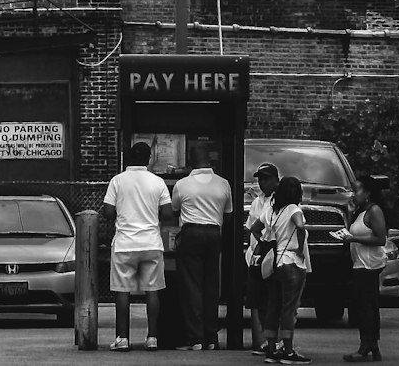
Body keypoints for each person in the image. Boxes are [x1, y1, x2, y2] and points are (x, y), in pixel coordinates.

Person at [101, 140, 173, 352]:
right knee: (153, 291)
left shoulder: (117, 181)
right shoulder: (157, 182)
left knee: (122, 291)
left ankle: (122, 338)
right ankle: (152, 338)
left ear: (129, 157)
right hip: (151, 242)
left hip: (124, 243)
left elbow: (108, 212)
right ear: (148, 159)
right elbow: (168, 213)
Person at [171, 142, 233, 350]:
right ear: (209, 159)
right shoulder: (223, 184)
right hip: (214, 233)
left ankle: (195, 338)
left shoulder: (182, 184)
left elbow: (174, 209)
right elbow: (229, 214)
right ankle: (212, 337)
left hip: (191, 233)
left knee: (192, 286)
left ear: (190, 161)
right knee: (211, 286)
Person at [257, 175, 311, 365]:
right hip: (291, 262)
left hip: (274, 263)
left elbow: (255, 228)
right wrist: (300, 248)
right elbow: (300, 226)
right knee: (289, 308)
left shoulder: (271, 210)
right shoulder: (294, 210)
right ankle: (288, 351)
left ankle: (271, 349)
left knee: (273, 306)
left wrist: (266, 242)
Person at [340, 174, 388, 363]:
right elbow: (351, 232)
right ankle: (371, 346)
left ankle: (366, 345)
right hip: (359, 263)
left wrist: (354, 239)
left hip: (368, 265)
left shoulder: (374, 211)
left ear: (367, 192)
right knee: (365, 306)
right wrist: (350, 213)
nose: (353, 194)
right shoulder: (361, 211)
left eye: (357, 190)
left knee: (365, 307)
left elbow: (380, 238)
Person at [245, 163, 280, 353]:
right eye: (260, 178)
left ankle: (275, 341)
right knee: (258, 300)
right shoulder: (257, 201)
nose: (262, 182)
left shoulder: (280, 200)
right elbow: (251, 227)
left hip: (272, 254)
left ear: (276, 180)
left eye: (266, 178)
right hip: (256, 256)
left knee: (273, 300)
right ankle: (265, 341)